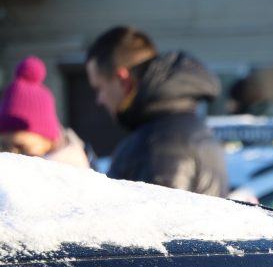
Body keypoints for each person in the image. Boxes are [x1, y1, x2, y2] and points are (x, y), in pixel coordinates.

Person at [85, 26, 228, 196]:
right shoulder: (184, 126)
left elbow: (159, 220)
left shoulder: (158, 144)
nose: (99, 99)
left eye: (99, 88)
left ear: (123, 80)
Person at [0, 56, 90, 168]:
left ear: (49, 140)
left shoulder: (69, 172)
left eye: (21, 147)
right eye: (3, 146)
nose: (11, 154)